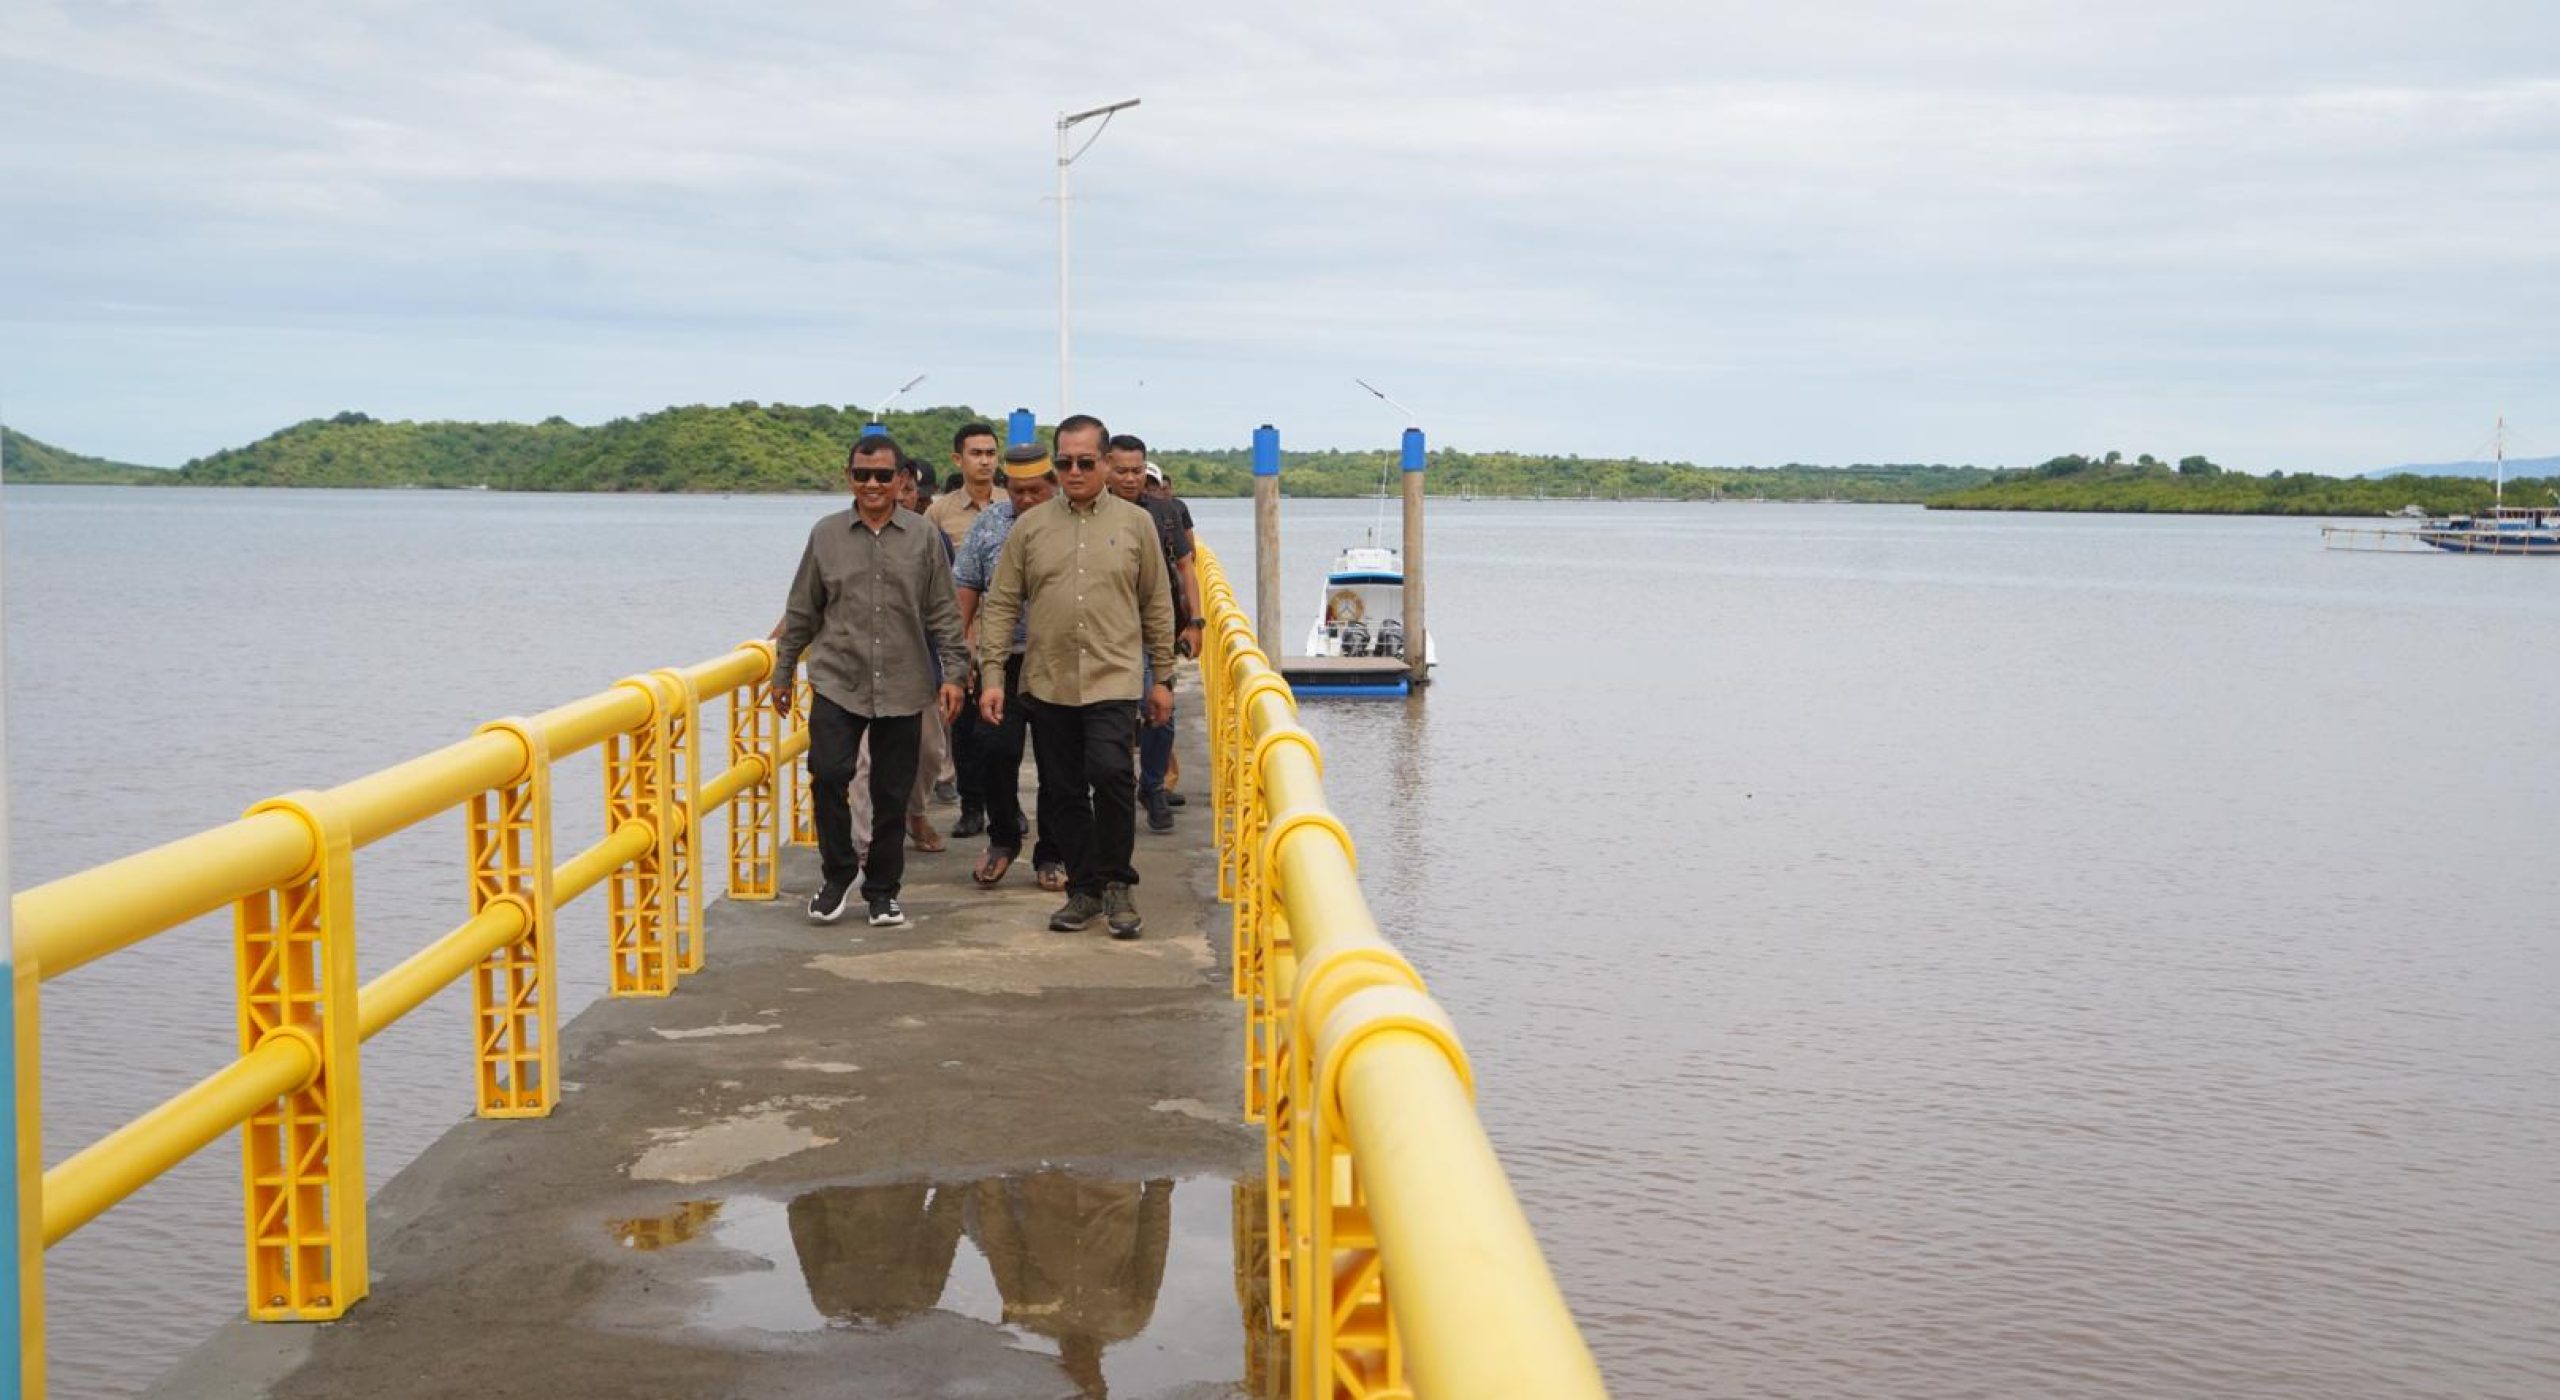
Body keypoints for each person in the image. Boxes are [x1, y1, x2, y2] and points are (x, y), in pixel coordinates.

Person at [977, 415, 1176, 939]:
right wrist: (992, 673)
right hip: (1049, 679)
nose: (1074, 471)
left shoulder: (1136, 526)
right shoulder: (1032, 527)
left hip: (1114, 677)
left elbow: (1158, 602)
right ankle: (1084, 890)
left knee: (1111, 774)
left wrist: (1164, 679)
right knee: (1061, 789)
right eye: (1064, 463)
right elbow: (999, 604)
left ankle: (1117, 883)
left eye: (1086, 462)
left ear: (1107, 464)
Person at [772, 435, 966, 928]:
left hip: (905, 682)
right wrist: (782, 670)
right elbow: (803, 608)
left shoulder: (923, 537)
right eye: (863, 475)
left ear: (902, 479)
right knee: (829, 773)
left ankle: (883, 889)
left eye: (883, 475)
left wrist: (956, 674)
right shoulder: (826, 534)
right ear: (849, 477)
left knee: (891, 791)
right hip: (839, 678)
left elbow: (944, 610)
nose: (873, 484)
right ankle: (837, 876)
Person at [954, 444, 1066, 889]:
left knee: (1058, 763)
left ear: (1052, 485)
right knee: (994, 749)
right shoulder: (990, 524)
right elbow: (965, 587)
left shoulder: (1070, 525)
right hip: (1003, 661)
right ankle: (1003, 838)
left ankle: (1052, 852)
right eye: (1017, 491)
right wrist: (960, 656)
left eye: (1035, 491)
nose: (1025, 500)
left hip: (1059, 662)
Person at [1103, 435, 1203, 834]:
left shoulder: (1163, 512)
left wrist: (1196, 622)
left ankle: (1153, 785)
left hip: (1153, 627)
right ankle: (1118, 787)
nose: (1130, 479)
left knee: (1161, 709)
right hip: (1106, 628)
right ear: (1107, 467)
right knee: (1116, 715)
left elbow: (1187, 567)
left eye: (1137, 470)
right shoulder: (1094, 512)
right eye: (1122, 470)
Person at [928, 423, 1004, 839]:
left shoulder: (1017, 506)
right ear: (958, 460)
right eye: (976, 453)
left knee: (1003, 732)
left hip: (1007, 637)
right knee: (965, 728)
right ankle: (971, 807)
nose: (985, 460)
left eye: (991, 452)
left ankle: (1003, 808)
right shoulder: (939, 514)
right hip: (959, 635)